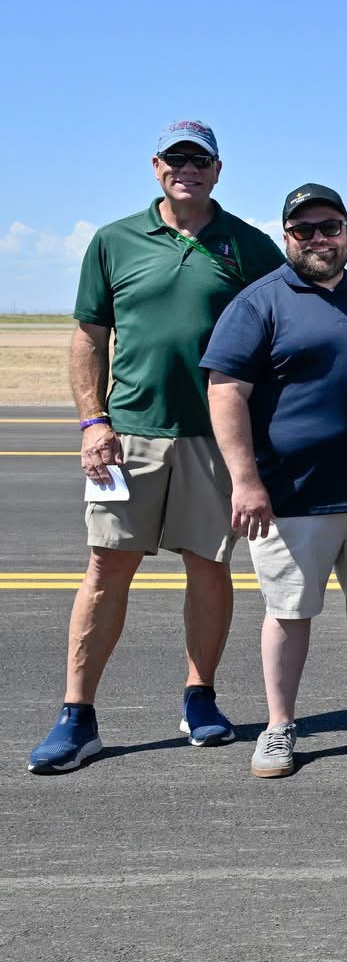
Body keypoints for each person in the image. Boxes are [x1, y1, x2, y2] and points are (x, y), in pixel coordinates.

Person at [31, 121, 285, 774]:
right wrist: (93, 424)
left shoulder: (248, 246)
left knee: (208, 564)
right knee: (106, 567)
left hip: (215, 438)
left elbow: (283, 325)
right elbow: (89, 336)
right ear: (156, 167)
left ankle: (200, 698)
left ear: (218, 170)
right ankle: (76, 715)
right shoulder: (114, 241)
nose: (188, 170)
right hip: (128, 437)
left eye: (200, 160)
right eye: (177, 160)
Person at [201, 184, 347, 778]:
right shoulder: (259, 301)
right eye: (304, 229)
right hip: (291, 495)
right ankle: (280, 727)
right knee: (289, 611)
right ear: (287, 236)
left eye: (330, 226)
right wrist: (246, 481)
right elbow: (226, 392)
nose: (319, 238)